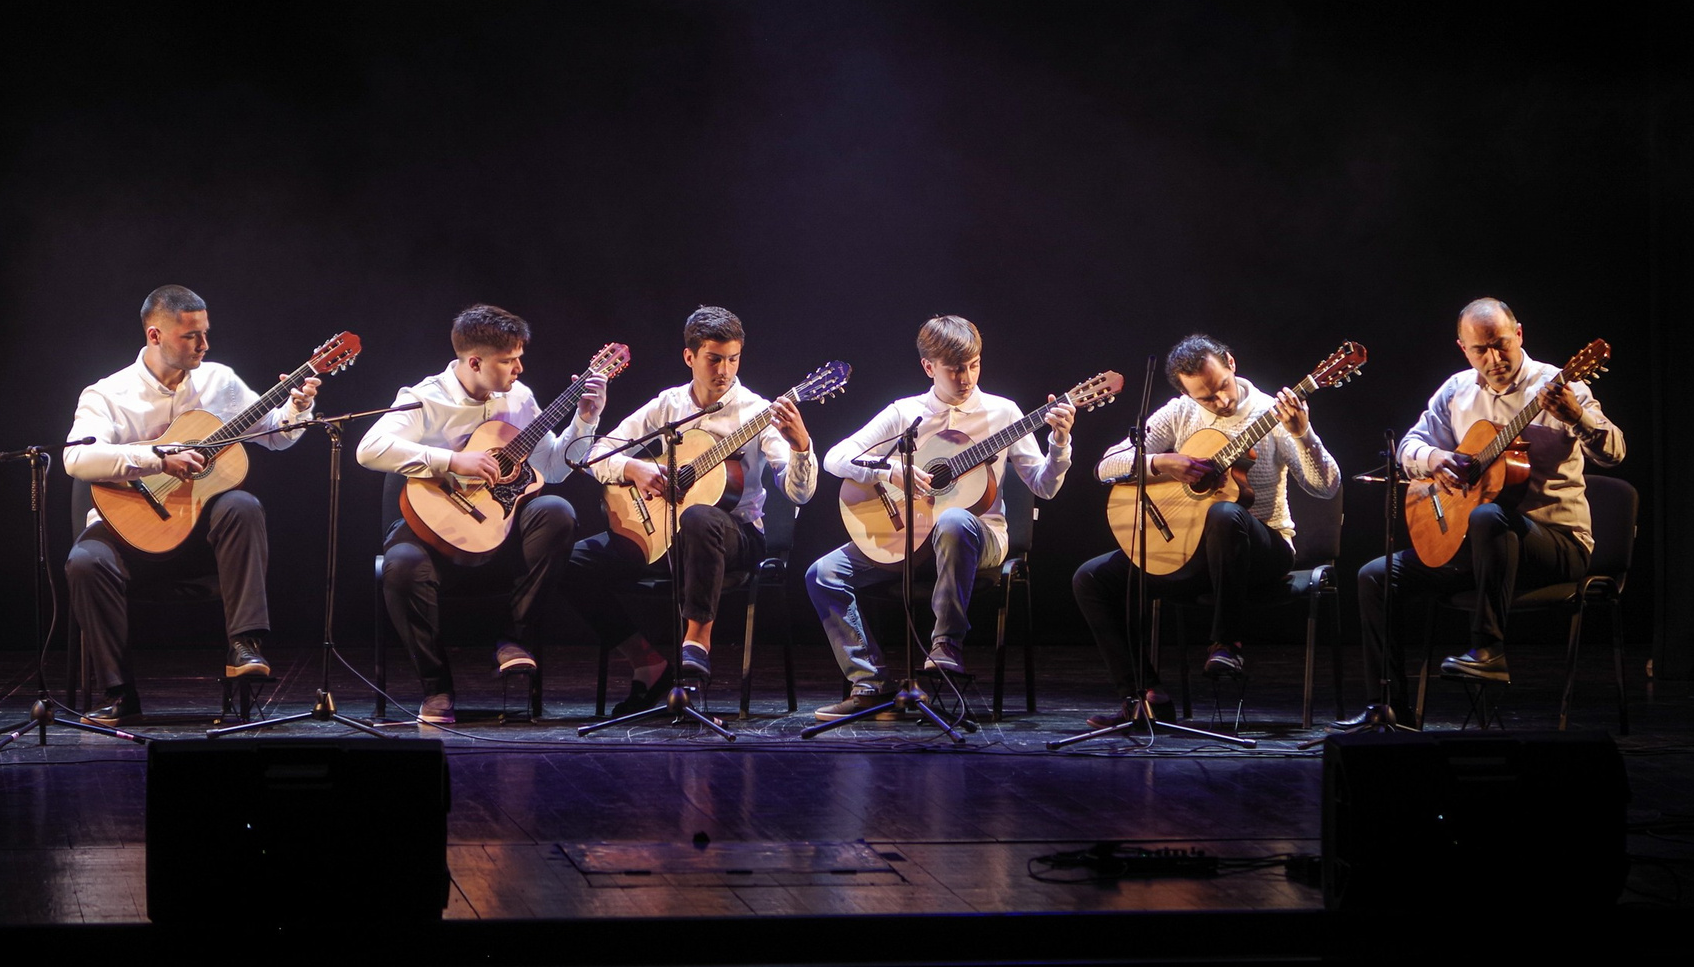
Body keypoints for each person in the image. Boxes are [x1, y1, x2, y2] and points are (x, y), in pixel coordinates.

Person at [1344, 296, 1624, 717]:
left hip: (1556, 544)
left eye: (1501, 344)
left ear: (1519, 334)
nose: (1494, 359)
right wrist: (1435, 459)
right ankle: (1388, 711)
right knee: (1375, 576)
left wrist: (1577, 418)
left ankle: (1488, 651)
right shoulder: (1456, 391)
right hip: (1481, 549)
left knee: (1489, 516)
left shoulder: (1561, 386)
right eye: (1481, 350)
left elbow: (1615, 452)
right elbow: (1409, 446)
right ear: (1463, 349)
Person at [64, 284, 319, 726]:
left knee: (242, 505)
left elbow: (275, 435)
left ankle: (245, 647)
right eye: (191, 336)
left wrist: (297, 408)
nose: (204, 345)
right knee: (84, 562)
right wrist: (158, 459)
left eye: (205, 333)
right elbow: (77, 458)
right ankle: (119, 692)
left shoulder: (220, 381)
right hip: (129, 536)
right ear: (155, 335)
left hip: (200, 537)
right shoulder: (107, 395)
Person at [808, 314, 1074, 721]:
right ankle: (870, 683)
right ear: (929, 367)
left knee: (953, 521)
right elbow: (835, 457)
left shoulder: (1004, 413)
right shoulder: (905, 413)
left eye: (974, 365)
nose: (966, 378)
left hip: (980, 537)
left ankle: (946, 645)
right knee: (823, 573)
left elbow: (1045, 486)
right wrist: (889, 471)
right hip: (911, 536)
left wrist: (1059, 443)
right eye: (954, 369)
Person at [357, 303, 604, 726]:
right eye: (508, 361)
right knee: (400, 565)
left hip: (497, 531)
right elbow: (369, 450)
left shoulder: (519, 398)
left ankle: (513, 640)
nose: (519, 369)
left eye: (519, 357)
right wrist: (453, 461)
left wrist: (585, 420)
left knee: (556, 511)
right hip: (431, 534)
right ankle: (436, 687)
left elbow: (554, 469)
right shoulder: (424, 398)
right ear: (474, 362)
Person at [1074, 333, 1339, 724]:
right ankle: (1144, 697)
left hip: (1261, 550)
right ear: (1186, 393)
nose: (1222, 401)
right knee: (1092, 579)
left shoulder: (1272, 413)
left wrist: (1303, 432)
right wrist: (1162, 463)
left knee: (1225, 514)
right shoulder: (1180, 412)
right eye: (1207, 398)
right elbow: (1105, 467)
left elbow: (1326, 486)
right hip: (1194, 553)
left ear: (1230, 362)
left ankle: (1226, 644)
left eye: (1223, 387)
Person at [573, 305, 815, 713]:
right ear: (690, 357)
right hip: (665, 534)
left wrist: (801, 447)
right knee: (573, 563)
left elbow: (799, 493)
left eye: (733, 359)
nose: (724, 370)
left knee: (699, 516)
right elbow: (594, 453)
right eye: (714, 359)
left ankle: (697, 639)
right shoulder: (667, 405)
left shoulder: (757, 412)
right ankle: (647, 662)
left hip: (735, 536)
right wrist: (634, 468)